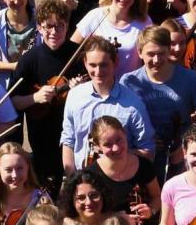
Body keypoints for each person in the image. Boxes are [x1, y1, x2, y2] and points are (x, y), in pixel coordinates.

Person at [10, 0, 79, 191]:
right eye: (48, 26)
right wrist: (35, 98)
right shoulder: (29, 60)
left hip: (74, 137)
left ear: (67, 26)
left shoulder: (78, 54)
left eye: (60, 26)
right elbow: (13, 101)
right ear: (39, 28)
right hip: (43, 140)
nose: (54, 32)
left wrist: (79, 90)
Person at [61, 36, 155, 172]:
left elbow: (148, 151)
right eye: (93, 65)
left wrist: (115, 153)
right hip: (82, 179)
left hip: (119, 178)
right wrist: (72, 178)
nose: (98, 72)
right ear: (85, 63)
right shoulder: (74, 96)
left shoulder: (132, 103)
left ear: (115, 63)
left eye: (104, 65)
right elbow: (68, 140)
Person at [122, 24, 196, 168]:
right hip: (141, 157)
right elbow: (121, 123)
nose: (156, 60)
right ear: (139, 52)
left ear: (169, 50)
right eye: (150, 54)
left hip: (180, 155)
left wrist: (187, 146)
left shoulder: (189, 78)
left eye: (161, 53)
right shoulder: (128, 81)